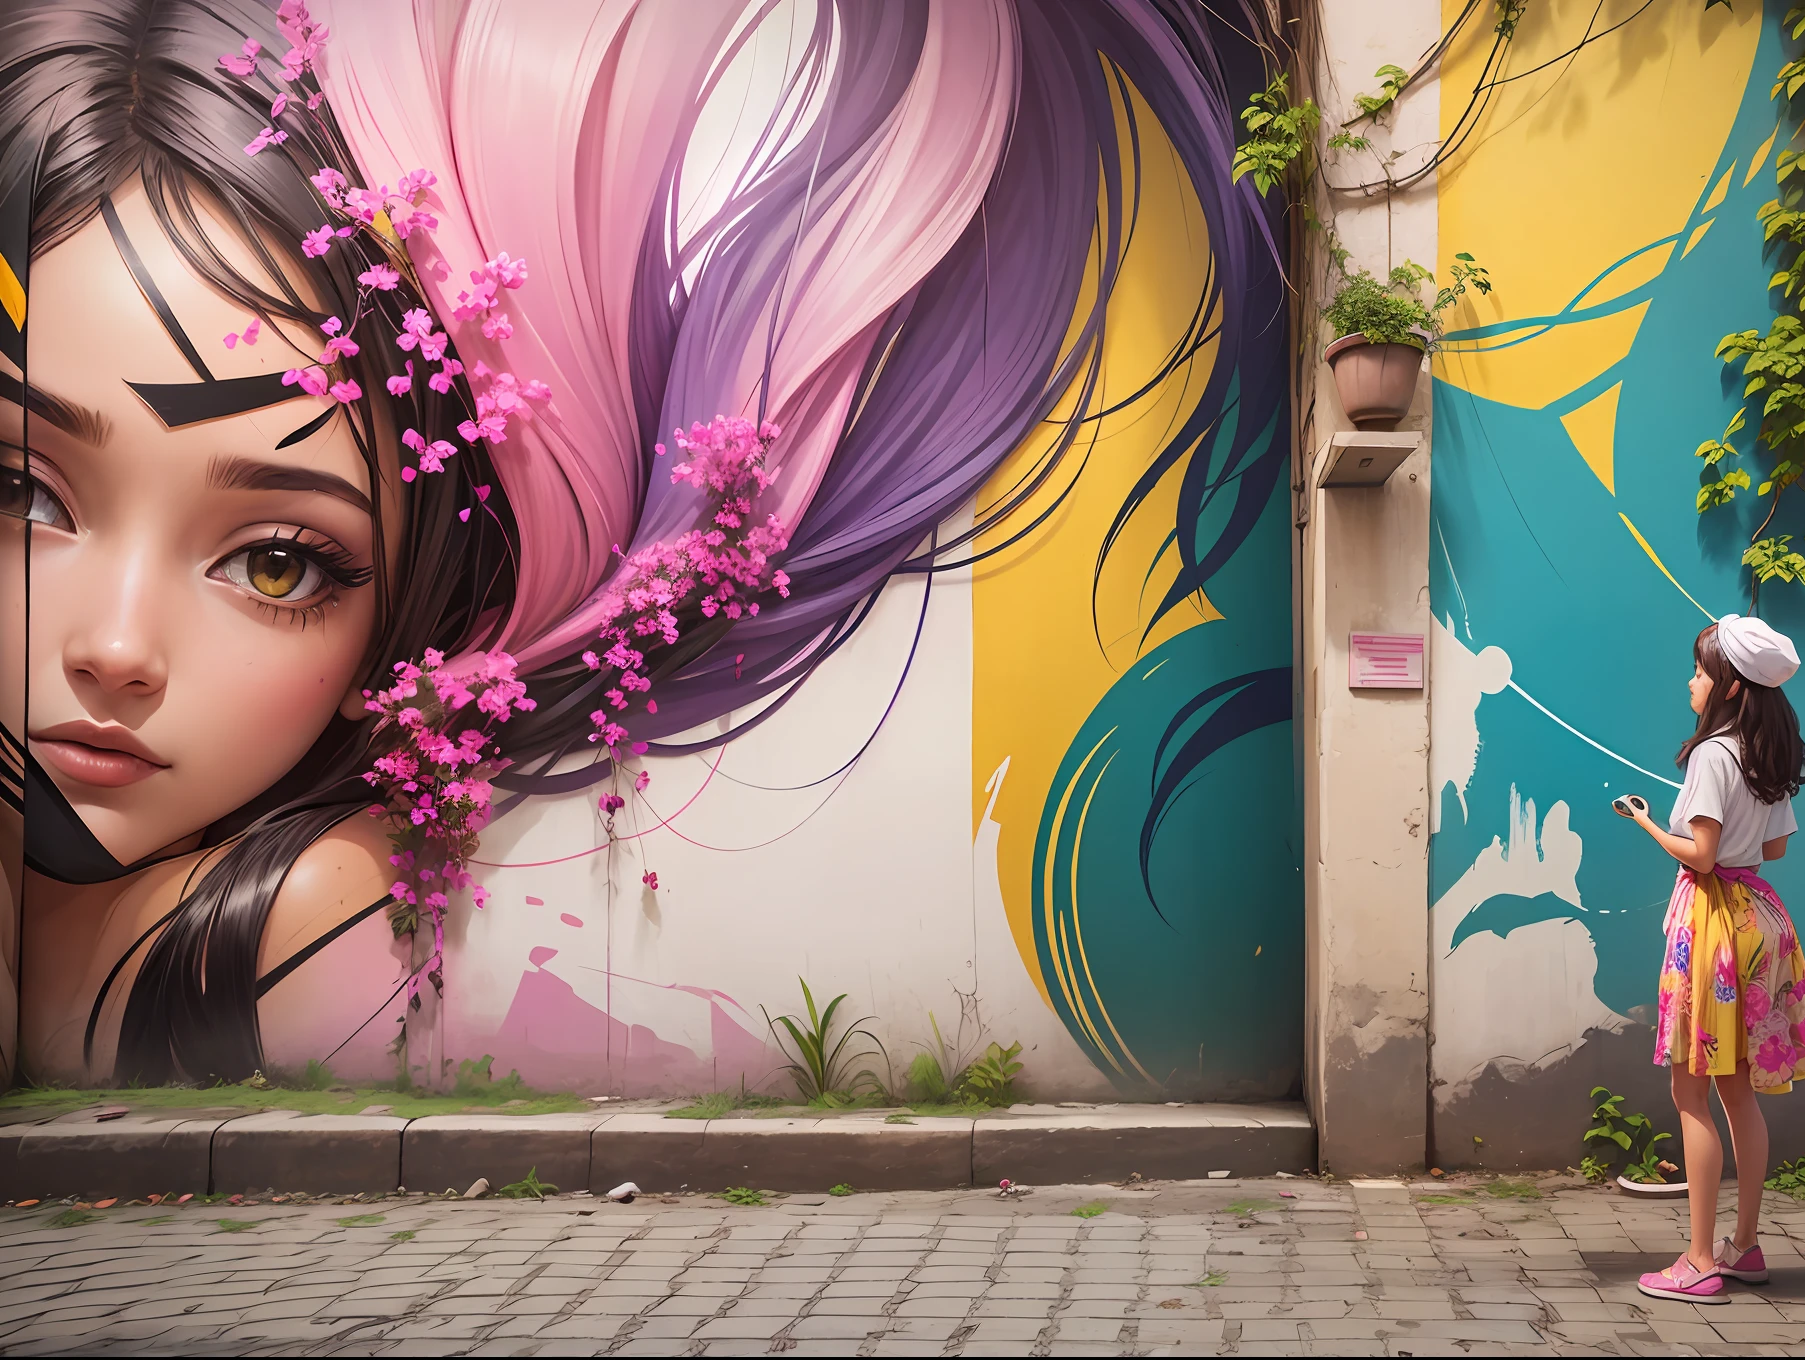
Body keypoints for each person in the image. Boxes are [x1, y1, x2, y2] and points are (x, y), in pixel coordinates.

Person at [0, 0, 1282, 1086]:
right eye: (25, 496)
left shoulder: (287, 925)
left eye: (277, 561)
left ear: (414, 608)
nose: (115, 650)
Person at [1615, 614, 1805, 1303]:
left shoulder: (1713, 753)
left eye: (1703, 671)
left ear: (1732, 684)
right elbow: (1772, 851)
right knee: (1738, 1092)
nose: (1693, 681)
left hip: (1713, 926)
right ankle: (1743, 1246)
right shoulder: (1766, 752)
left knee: (1692, 1093)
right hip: (1758, 919)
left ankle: (1698, 1259)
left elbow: (1702, 855)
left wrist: (1649, 821)